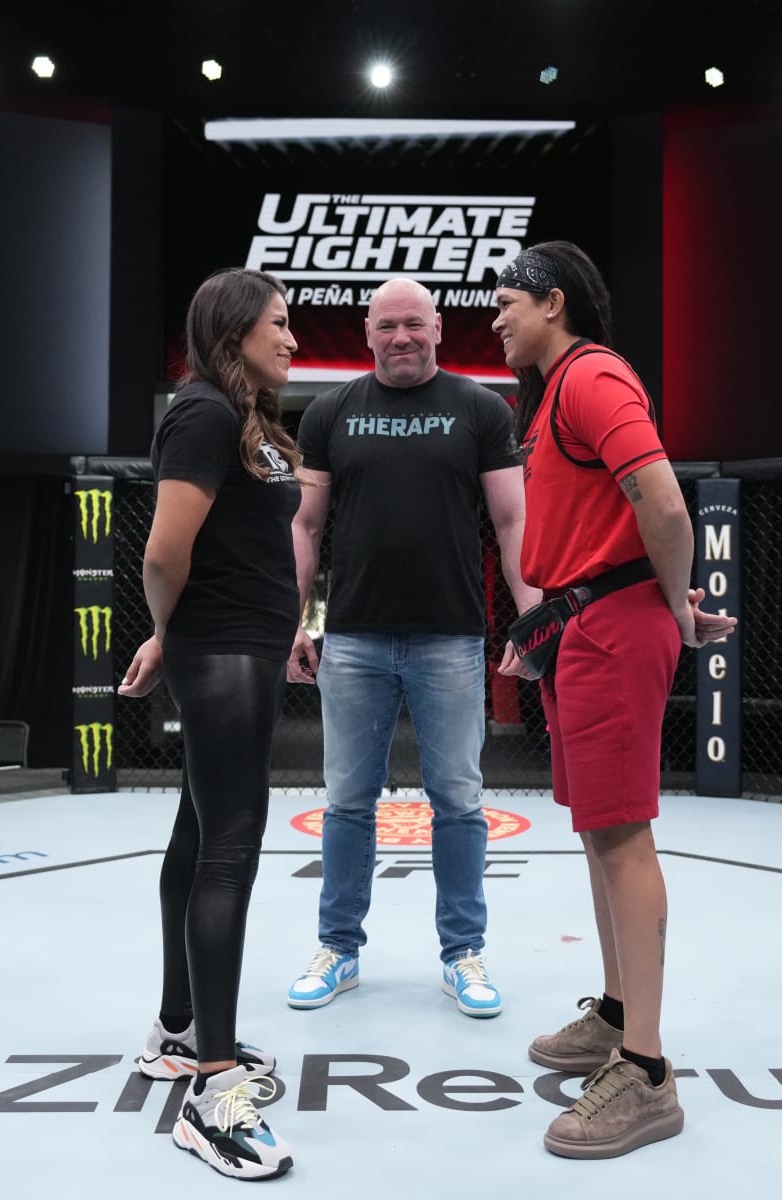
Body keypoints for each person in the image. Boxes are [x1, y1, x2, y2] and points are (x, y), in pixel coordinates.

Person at [490, 241, 737, 1159]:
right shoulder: (554, 393)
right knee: (600, 831)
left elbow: (666, 509)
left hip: (612, 626)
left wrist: (671, 605)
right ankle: (619, 1012)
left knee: (623, 836)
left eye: (507, 303)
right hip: (581, 627)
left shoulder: (592, 377)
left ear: (554, 303)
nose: (497, 319)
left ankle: (647, 1073)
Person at [283, 277, 544, 1018]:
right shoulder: (331, 412)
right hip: (355, 639)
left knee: (458, 801)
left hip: (450, 638)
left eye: (415, 325)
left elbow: (513, 520)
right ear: (367, 333)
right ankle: (339, 948)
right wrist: (290, 620)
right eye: (388, 326)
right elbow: (303, 529)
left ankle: (463, 954)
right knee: (347, 802)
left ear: (439, 330)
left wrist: (527, 616)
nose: (402, 337)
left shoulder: (481, 410)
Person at [118, 266, 304, 1182]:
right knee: (230, 845)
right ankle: (213, 1090)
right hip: (222, 645)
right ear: (234, 333)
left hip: (251, 646)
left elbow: (257, 542)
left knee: (198, 831)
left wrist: (288, 634)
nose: (294, 340)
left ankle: (177, 1032)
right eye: (279, 324)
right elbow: (163, 550)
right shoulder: (200, 413)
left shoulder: (253, 421)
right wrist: (168, 634)